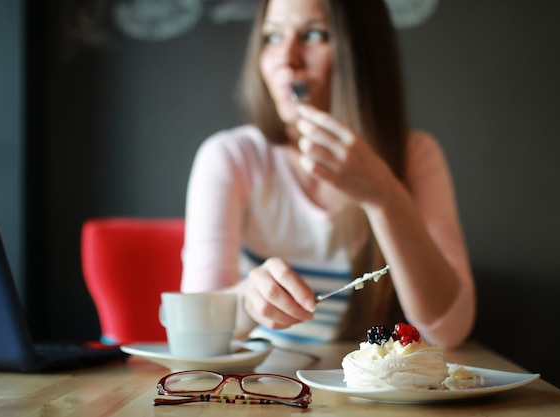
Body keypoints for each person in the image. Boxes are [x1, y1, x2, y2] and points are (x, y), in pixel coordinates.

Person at [180, 0, 475, 350]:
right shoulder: (231, 157)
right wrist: (247, 299)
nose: (287, 58)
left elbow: (449, 330)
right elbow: (193, 329)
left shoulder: (415, 156)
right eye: (272, 37)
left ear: (363, 52)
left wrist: (384, 196)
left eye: (315, 34)